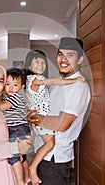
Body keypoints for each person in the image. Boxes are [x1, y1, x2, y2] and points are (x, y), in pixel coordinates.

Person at [27, 38, 91, 185]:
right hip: (44, 155)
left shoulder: (77, 87)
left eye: (70, 55)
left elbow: (62, 124)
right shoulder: (59, 83)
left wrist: (35, 118)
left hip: (54, 159)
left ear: (80, 59)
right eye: (60, 54)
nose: (63, 59)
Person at [0, 68, 31, 185]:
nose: (11, 88)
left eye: (15, 84)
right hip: (22, 128)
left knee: (13, 157)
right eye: (8, 84)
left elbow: (2, 107)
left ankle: (20, 182)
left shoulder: (15, 97)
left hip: (17, 129)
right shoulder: (11, 97)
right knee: (23, 156)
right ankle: (27, 178)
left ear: (22, 87)